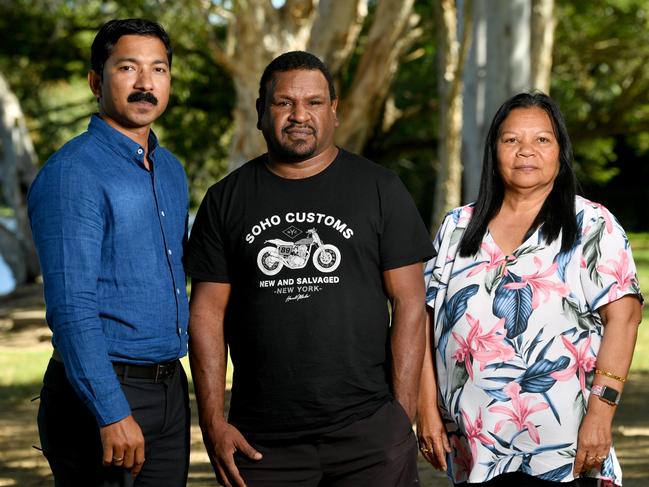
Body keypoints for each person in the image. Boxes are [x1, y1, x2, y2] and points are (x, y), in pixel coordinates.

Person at [186, 51, 434, 487]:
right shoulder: (225, 199)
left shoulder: (380, 188)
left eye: (314, 102)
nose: (299, 115)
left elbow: (410, 303)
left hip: (369, 432)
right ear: (261, 111)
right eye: (284, 103)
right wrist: (212, 421)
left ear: (333, 111)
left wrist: (400, 415)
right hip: (261, 440)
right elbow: (206, 315)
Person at [416, 92, 643, 487]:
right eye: (511, 140)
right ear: (494, 150)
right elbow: (422, 320)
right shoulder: (456, 227)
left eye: (542, 140)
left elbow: (624, 318)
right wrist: (426, 410)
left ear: (560, 152)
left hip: (564, 449)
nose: (526, 151)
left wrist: (600, 416)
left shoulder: (592, 224)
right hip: (475, 448)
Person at [28, 18, 190, 487]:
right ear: (96, 80)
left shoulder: (171, 170)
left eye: (158, 69)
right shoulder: (72, 174)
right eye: (128, 68)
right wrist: (110, 411)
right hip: (102, 396)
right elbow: (70, 308)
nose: (146, 84)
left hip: (169, 390)